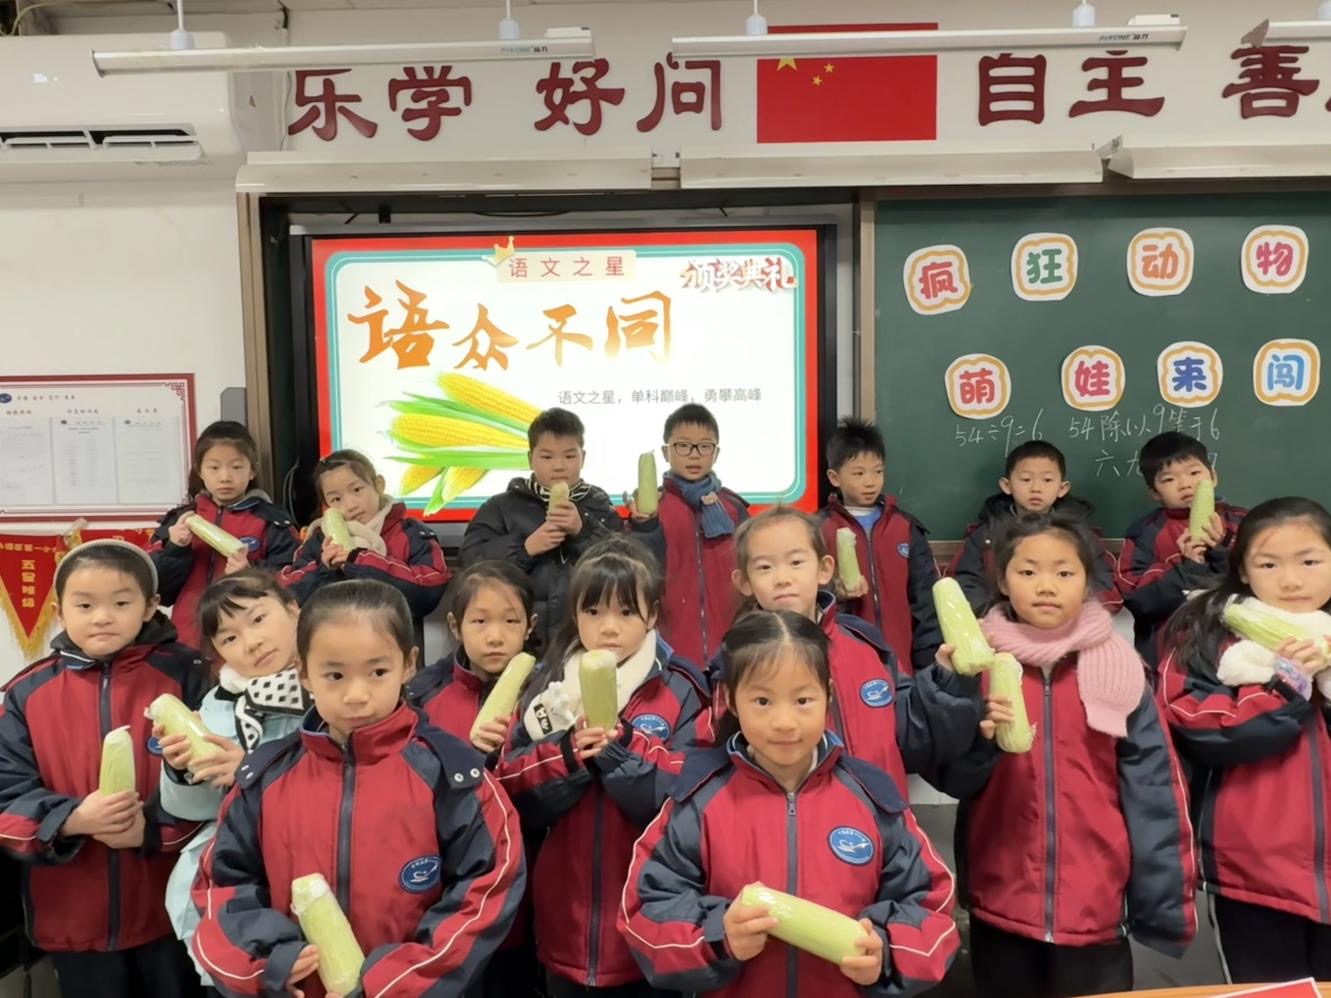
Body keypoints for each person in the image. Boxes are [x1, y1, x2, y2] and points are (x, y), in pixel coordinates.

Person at [191, 579, 525, 998]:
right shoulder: (264, 778)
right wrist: (270, 963)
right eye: (334, 675)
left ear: (408, 664)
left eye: (377, 672)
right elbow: (221, 886)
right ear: (304, 673)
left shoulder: (454, 776)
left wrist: (392, 982)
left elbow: (486, 890)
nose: (356, 695)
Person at [619, 610, 958, 997]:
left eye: (803, 700)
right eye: (762, 700)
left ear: (828, 695)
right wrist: (717, 936)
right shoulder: (698, 801)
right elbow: (645, 913)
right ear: (731, 699)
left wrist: (886, 952)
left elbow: (933, 910)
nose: (784, 722)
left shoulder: (872, 796)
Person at [934, 512, 1195, 998]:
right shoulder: (975, 667)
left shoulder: (1121, 669)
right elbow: (950, 775)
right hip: (1001, 898)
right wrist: (958, 708)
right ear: (1003, 581)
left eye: (1064, 572)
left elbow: (1155, 789)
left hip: (1096, 902)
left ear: (1088, 582)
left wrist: (1163, 899)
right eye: (1027, 571)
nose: (1046, 586)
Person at [496, 535, 710, 998]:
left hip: (650, 925)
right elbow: (509, 785)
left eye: (626, 612)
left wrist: (623, 750)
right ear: (575, 615)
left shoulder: (681, 689)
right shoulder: (546, 688)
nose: (609, 628)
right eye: (593, 611)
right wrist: (566, 755)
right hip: (563, 922)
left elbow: (693, 793)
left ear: (651, 615)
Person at [0, 540, 209, 998]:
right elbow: (6, 798)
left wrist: (151, 830)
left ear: (151, 606)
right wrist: (71, 819)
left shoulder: (191, 675)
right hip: (73, 917)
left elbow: (222, 790)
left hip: (172, 913)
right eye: (85, 605)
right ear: (58, 610)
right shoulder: (25, 694)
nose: (102, 617)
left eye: (120, 603)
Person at [1159, 497, 1331, 984]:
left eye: (1310, 562)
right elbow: (1199, 729)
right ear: (1242, 570)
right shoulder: (1205, 633)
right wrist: (1288, 685)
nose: (1291, 581)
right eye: (1269, 564)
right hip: (1254, 871)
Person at [729, 507, 982, 795]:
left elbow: (912, 735)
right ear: (744, 582)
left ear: (824, 569)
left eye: (796, 562)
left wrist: (945, 678)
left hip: (878, 817)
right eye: (765, 567)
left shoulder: (866, 646)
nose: (783, 578)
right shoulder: (737, 661)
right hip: (793, 819)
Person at [157, 570, 309, 993]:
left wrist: (252, 769)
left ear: (293, 609)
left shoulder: (338, 686)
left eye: (258, 619)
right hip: (234, 891)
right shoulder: (218, 705)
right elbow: (193, 810)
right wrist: (181, 770)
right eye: (229, 638)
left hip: (310, 873)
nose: (252, 642)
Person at [460, 408, 621, 657]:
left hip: (588, 642)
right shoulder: (501, 507)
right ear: (530, 458)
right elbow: (471, 563)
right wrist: (525, 548)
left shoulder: (600, 508)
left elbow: (626, 567)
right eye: (547, 457)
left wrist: (583, 532)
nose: (559, 466)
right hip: (519, 644)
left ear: (583, 458)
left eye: (570, 456)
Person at [150, 421, 299, 649]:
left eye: (236, 467)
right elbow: (159, 590)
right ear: (200, 471)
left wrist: (250, 573)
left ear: (252, 470)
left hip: (248, 645)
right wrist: (175, 549)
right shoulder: (178, 520)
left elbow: (292, 584)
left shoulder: (273, 521)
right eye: (214, 468)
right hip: (185, 643)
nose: (225, 477)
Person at [818, 417, 942, 674]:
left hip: (903, 664)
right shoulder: (818, 529)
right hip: (843, 665)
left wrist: (928, 667)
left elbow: (926, 603)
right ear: (834, 477)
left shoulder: (905, 528)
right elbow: (808, 595)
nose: (871, 482)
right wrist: (836, 591)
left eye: (878, 471)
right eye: (859, 473)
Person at [628, 403, 748, 664]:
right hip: (669, 646)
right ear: (666, 452)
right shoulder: (652, 507)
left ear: (716, 453)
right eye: (683, 446)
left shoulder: (733, 508)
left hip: (734, 646)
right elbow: (640, 572)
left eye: (704, 446)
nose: (694, 455)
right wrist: (644, 527)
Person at [279, 449, 449, 634]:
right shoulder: (319, 541)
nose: (350, 505)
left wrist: (361, 561)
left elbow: (431, 589)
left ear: (378, 485)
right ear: (327, 506)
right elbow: (285, 595)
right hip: (333, 640)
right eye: (336, 499)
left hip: (393, 639)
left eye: (357, 490)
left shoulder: (411, 533)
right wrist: (324, 569)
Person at [1116, 431, 1247, 665]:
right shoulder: (1145, 533)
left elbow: (1262, 583)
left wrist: (1221, 550)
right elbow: (1139, 602)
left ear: (1213, 477)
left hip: (1239, 647)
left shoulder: (1245, 523)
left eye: (1194, 473)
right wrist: (1187, 570)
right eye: (1169, 479)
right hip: (1170, 651)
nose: (1186, 484)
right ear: (1154, 493)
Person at [947, 440, 1120, 615]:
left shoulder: (1081, 536)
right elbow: (966, 582)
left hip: (1068, 621)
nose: (1036, 488)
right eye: (1026, 479)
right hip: (999, 622)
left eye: (1047, 480)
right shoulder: (986, 535)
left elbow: (1102, 583)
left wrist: (1073, 614)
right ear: (1007, 485)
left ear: (1062, 488)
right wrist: (996, 615)